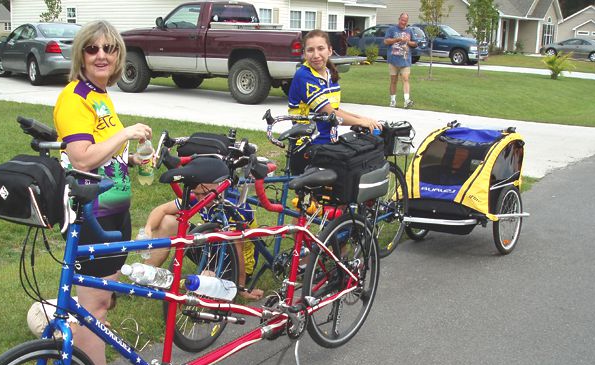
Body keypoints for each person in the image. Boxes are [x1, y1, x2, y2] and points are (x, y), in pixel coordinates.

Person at [53, 20, 152, 365]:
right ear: (81, 54)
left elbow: (103, 152)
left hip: (113, 215)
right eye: (93, 49)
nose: (101, 56)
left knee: (102, 302)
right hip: (92, 219)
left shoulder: (99, 95)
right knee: (92, 306)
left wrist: (133, 156)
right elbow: (82, 157)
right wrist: (126, 134)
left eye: (109, 49)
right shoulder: (74, 98)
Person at [142, 184, 264, 301]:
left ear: (218, 185)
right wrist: (148, 230)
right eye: (197, 193)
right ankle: (143, 277)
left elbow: (238, 251)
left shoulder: (233, 204)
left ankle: (174, 282)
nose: (201, 199)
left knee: (204, 284)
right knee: (168, 222)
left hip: (234, 262)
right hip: (212, 248)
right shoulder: (199, 194)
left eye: (205, 193)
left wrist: (241, 288)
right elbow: (162, 209)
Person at [287, 29, 382, 174]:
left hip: (327, 144)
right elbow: (331, 114)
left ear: (330, 51)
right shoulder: (304, 76)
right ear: (304, 54)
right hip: (307, 146)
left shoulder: (329, 75)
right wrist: (359, 122)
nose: (316, 55)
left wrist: (363, 119)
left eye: (321, 48)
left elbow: (335, 109)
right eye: (310, 50)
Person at [384, 13, 417, 108]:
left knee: (406, 79)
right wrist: (397, 39)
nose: (403, 22)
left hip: (405, 60)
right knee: (393, 80)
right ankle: (393, 101)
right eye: (402, 20)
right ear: (399, 19)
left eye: (405, 21)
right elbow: (386, 41)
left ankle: (406, 101)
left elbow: (415, 44)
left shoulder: (409, 31)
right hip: (393, 59)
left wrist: (407, 41)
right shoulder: (391, 30)